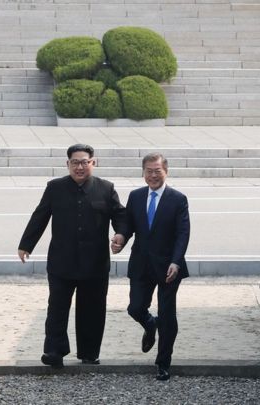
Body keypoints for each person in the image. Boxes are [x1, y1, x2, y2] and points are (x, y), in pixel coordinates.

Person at [18, 144, 126, 368]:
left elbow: (120, 216)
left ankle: (89, 353)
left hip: (95, 263)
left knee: (92, 310)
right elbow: (40, 215)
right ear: (67, 164)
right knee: (56, 308)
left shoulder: (106, 188)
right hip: (62, 261)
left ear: (93, 163)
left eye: (84, 162)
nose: (80, 167)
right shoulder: (55, 187)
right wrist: (26, 244)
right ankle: (54, 352)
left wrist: (121, 234)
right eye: (75, 162)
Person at [111, 152, 190, 381]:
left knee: (167, 315)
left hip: (168, 267)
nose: (153, 175)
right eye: (149, 171)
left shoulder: (178, 199)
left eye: (157, 171)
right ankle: (149, 324)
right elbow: (128, 225)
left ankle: (163, 362)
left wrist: (176, 261)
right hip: (141, 264)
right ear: (143, 172)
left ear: (166, 171)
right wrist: (120, 237)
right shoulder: (135, 196)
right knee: (135, 308)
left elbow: (183, 233)